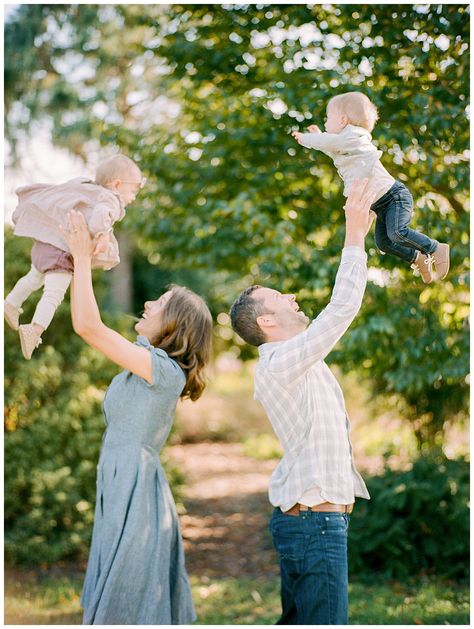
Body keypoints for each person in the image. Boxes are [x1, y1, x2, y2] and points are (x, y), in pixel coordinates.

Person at [229, 179, 375, 625]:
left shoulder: (295, 360)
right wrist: (354, 234)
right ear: (267, 320)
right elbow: (342, 308)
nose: (291, 295)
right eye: (278, 297)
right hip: (315, 526)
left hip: (312, 523)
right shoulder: (279, 361)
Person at [60, 210, 213, 624]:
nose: (146, 304)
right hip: (119, 476)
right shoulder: (147, 364)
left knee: (131, 596)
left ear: (174, 325)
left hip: (135, 483)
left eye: (158, 304)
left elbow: (87, 326)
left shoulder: (161, 369)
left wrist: (81, 257)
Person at [292, 91, 449, 284]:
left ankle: (435, 248)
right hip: (381, 204)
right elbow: (330, 146)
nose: (325, 123)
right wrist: (317, 136)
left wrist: (305, 138)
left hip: (393, 197)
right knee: (383, 243)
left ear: (342, 120)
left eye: (327, 118)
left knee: (397, 233)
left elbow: (330, 142)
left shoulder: (353, 136)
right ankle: (418, 257)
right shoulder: (347, 144)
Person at [4, 154, 145, 359]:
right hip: (61, 252)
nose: (133, 198)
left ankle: (10, 303)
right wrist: (102, 234)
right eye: (133, 191)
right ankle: (34, 330)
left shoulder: (85, 186)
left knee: (33, 278)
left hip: (44, 244)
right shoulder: (111, 199)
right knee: (54, 294)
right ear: (116, 184)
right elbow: (100, 217)